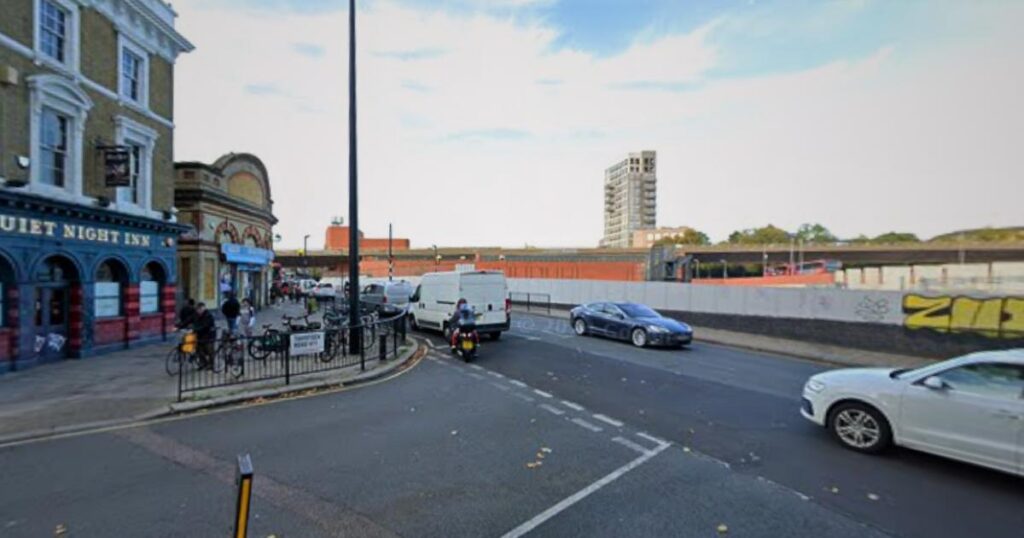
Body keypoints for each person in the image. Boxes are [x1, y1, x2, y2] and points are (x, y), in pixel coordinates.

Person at [190, 302, 217, 369]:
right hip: (200, 335)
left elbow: (205, 326)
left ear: (203, 308)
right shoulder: (196, 315)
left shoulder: (208, 315)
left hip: (209, 336)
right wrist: (179, 326)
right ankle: (203, 363)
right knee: (199, 350)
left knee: (209, 351)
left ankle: (211, 365)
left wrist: (195, 329)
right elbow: (188, 320)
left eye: (200, 309)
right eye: (198, 309)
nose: (199, 311)